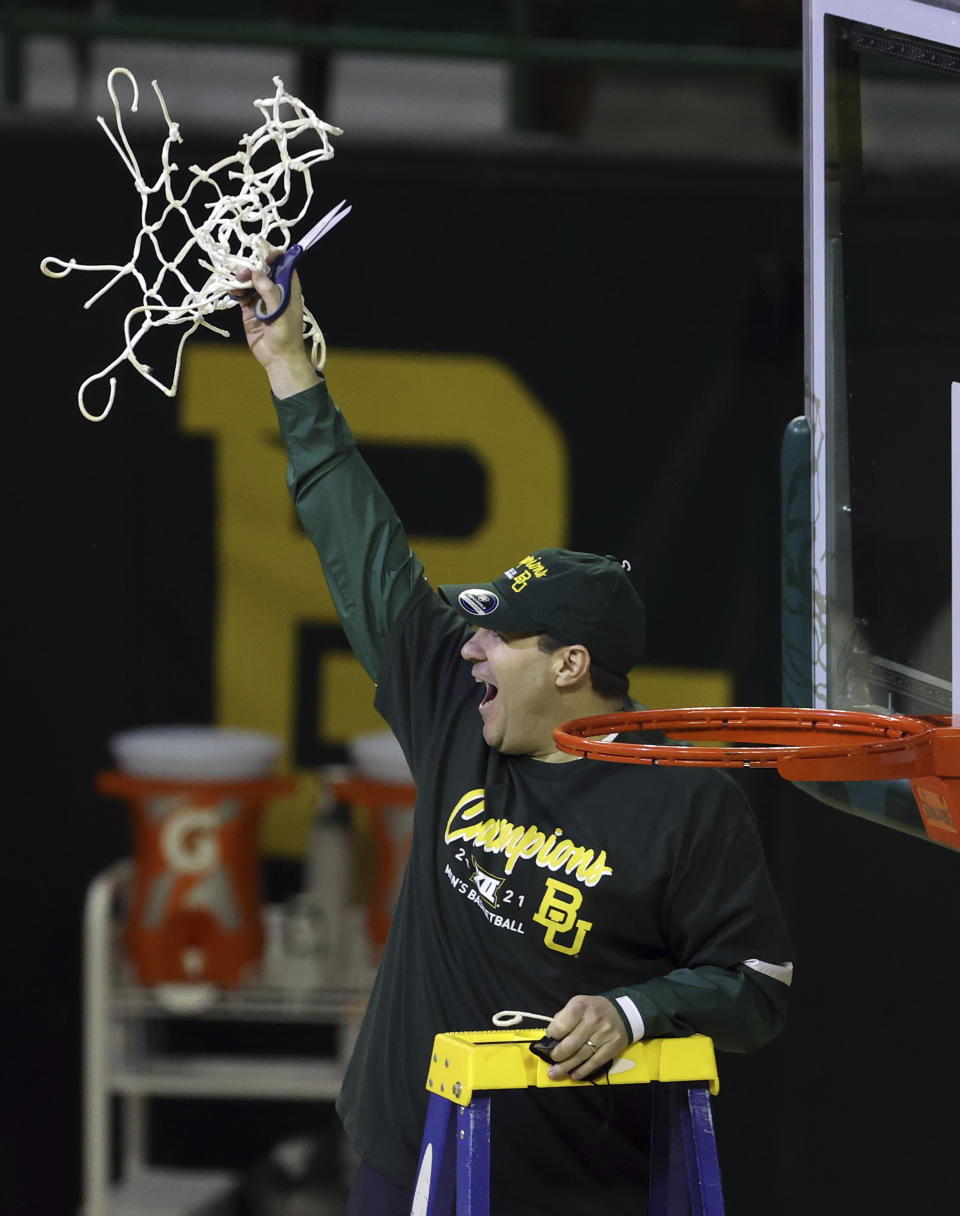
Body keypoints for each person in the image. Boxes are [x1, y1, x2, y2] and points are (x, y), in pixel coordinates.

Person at [235, 260, 794, 1215]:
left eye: (497, 632)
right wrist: (287, 358)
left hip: (579, 1189)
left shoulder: (690, 802)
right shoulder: (457, 716)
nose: (473, 646)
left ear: (571, 666)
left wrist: (635, 1010)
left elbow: (758, 986)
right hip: (409, 1156)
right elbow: (357, 544)